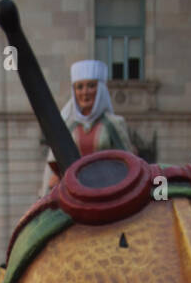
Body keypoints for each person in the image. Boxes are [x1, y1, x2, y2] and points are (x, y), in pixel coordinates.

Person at [42, 59, 134, 191]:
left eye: (91, 86)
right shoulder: (67, 126)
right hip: (73, 191)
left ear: (100, 89)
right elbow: (54, 166)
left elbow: (128, 160)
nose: (85, 92)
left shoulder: (114, 123)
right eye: (80, 87)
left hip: (109, 189)